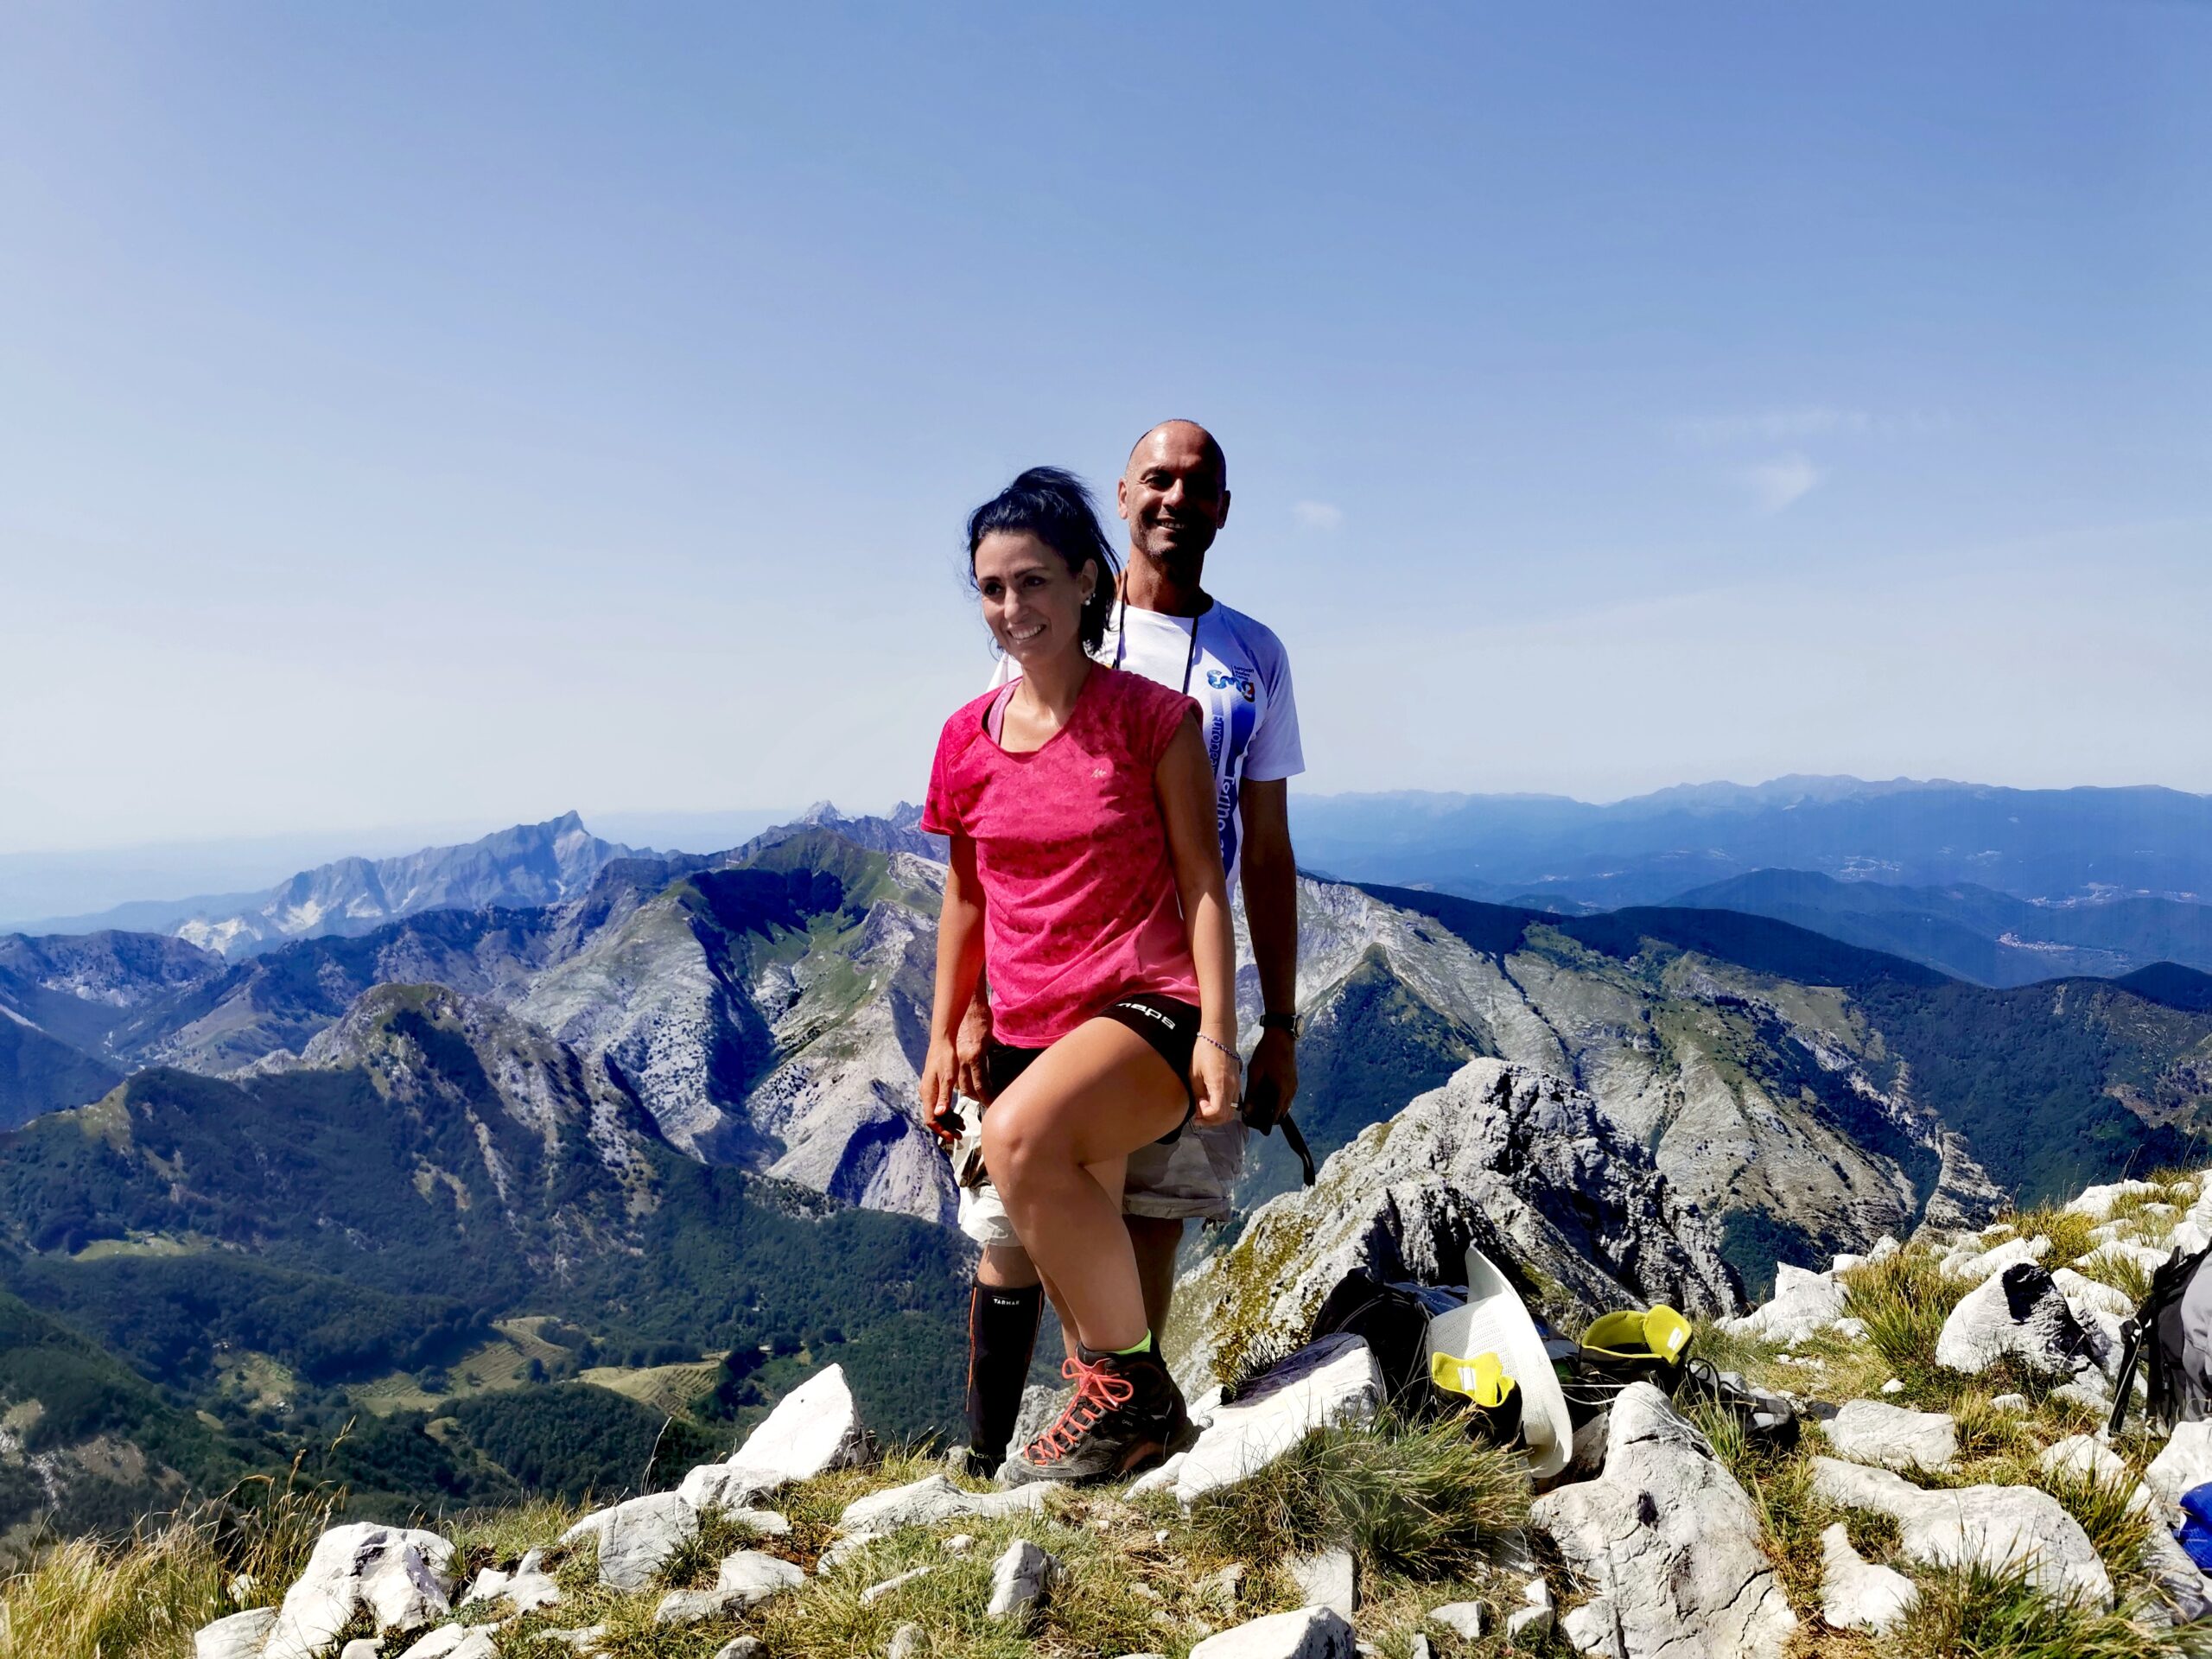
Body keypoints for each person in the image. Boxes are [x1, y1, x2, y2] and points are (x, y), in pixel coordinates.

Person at [951, 421, 1306, 1475]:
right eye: (1158, 478)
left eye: (1201, 484)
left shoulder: (1254, 655)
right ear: (1121, 495)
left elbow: (1264, 851)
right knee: (1025, 1236)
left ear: (1225, 507)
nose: (1177, 499)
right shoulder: (1063, 627)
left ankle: (1113, 1460)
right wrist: (966, 1006)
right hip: (1052, 989)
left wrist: (1269, 1024)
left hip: (1171, 994)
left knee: (1149, 1226)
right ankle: (1003, 1458)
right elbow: (992, 847)